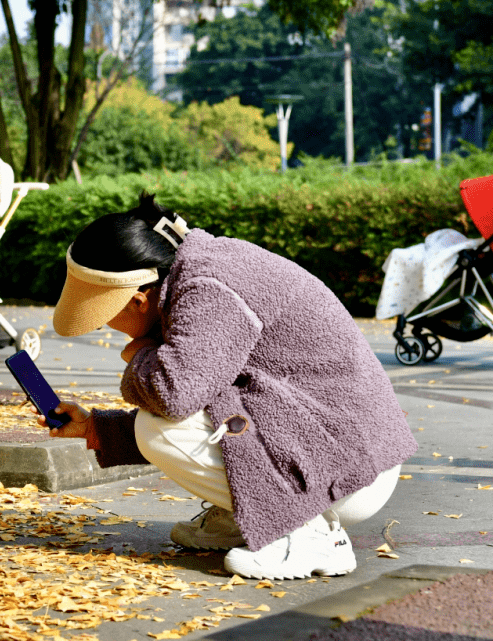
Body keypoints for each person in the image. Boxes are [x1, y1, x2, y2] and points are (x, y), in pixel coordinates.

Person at [42, 193, 418, 580]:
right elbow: (209, 396)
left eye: (105, 318)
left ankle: (307, 534)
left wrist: (139, 356)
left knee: (156, 428)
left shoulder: (208, 287)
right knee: (174, 409)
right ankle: (251, 516)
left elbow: (174, 397)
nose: (106, 328)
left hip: (352, 474)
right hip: (347, 452)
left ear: (137, 300)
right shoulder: (197, 269)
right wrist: (95, 429)